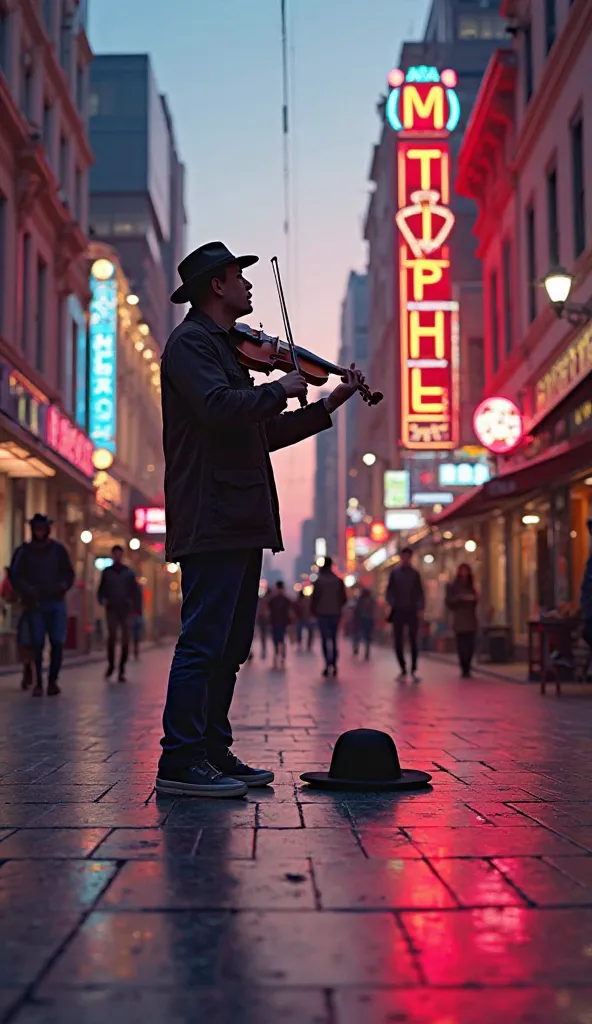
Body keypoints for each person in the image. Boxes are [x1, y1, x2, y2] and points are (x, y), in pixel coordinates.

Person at [156, 241, 363, 798]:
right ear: (216, 287)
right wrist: (278, 389)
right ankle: (179, 760)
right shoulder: (191, 344)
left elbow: (259, 432)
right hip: (211, 510)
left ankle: (211, 750)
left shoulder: (226, 347)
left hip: (240, 513)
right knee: (203, 641)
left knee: (232, 644)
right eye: (239, 277)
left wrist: (328, 404)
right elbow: (219, 409)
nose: (249, 286)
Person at [9, 514, 75, 696]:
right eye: (37, 529)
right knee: (36, 642)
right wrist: (27, 590)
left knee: (57, 642)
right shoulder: (24, 552)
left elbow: (69, 574)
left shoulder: (58, 550)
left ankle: (52, 680)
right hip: (35, 603)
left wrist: (62, 586)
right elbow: (15, 576)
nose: (39, 533)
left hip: (55, 602)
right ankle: (38, 681)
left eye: (42, 529)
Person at [97, 545, 140, 683]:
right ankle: (111, 665)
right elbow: (101, 589)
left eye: (119, 554)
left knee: (126, 639)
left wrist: (136, 607)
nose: (117, 556)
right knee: (112, 637)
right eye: (115, 554)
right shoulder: (107, 572)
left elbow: (135, 591)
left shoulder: (128, 573)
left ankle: (121, 668)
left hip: (125, 609)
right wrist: (102, 600)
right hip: (112, 609)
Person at [386, 547, 424, 683]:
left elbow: (420, 592)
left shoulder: (415, 574)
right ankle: (403, 668)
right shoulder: (395, 574)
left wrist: (419, 607)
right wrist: (393, 602)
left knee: (413, 640)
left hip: (411, 610)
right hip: (398, 611)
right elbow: (389, 592)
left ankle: (413, 669)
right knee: (398, 641)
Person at [311, 557, 347, 676]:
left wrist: (314, 611)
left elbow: (314, 599)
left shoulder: (319, 581)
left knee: (325, 640)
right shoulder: (338, 581)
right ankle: (334, 663)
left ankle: (327, 664)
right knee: (334, 639)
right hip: (335, 613)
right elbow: (344, 599)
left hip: (322, 614)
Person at [446, 563, 479, 678]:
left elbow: (476, 600)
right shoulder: (453, 586)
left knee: (470, 645)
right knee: (461, 644)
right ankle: (464, 667)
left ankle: (468, 666)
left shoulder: (471, 585)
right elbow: (449, 602)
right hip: (459, 619)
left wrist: (474, 598)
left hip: (470, 619)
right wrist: (459, 599)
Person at [267, 580, 292, 669]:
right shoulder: (286, 600)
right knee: (279, 640)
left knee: (278, 640)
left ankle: (279, 656)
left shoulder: (273, 599)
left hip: (277, 622)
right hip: (280, 622)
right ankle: (281, 656)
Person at [353, 587, 376, 660]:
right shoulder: (371, 600)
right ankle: (367, 652)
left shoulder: (360, 600)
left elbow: (356, 609)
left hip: (360, 619)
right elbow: (373, 610)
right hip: (368, 619)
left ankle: (356, 647)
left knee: (358, 634)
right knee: (367, 636)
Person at [131, 581, 144, 660]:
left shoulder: (131, 593)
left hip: (134, 614)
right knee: (136, 634)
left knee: (134, 633)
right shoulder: (138, 593)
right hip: (136, 614)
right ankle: (135, 650)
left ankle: (134, 650)